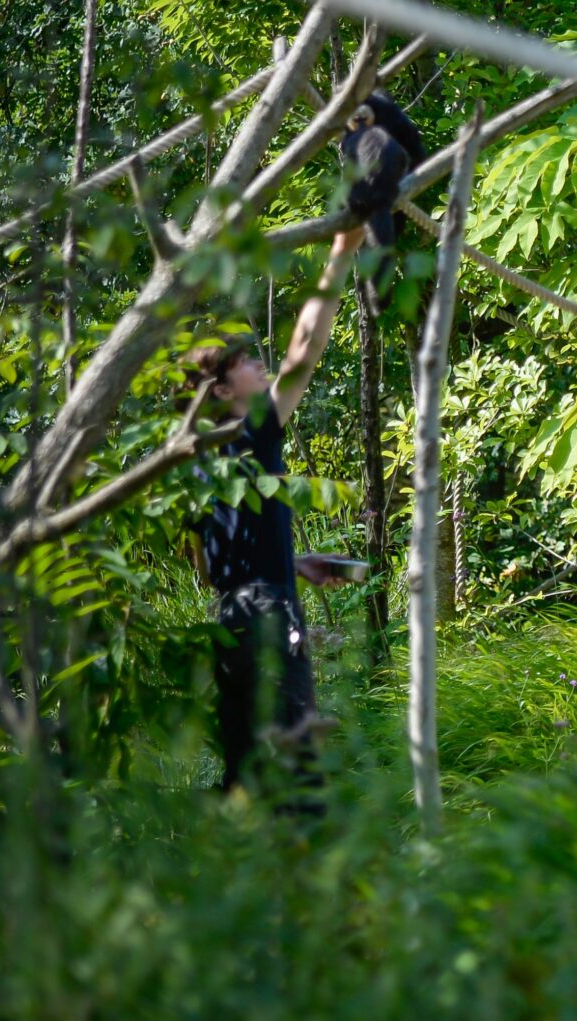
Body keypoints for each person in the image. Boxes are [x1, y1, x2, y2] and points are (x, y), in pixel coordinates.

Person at [185, 226, 366, 802]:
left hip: (230, 617)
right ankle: (311, 873)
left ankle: (236, 877)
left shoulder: (194, 459)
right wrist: (341, 252)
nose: (261, 367)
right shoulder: (252, 431)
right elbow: (305, 351)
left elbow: (210, 570)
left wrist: (294, 560)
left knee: (244, 772)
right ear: (218, 391)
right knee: (296, 764)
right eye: (245, 363)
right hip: (266, 612)